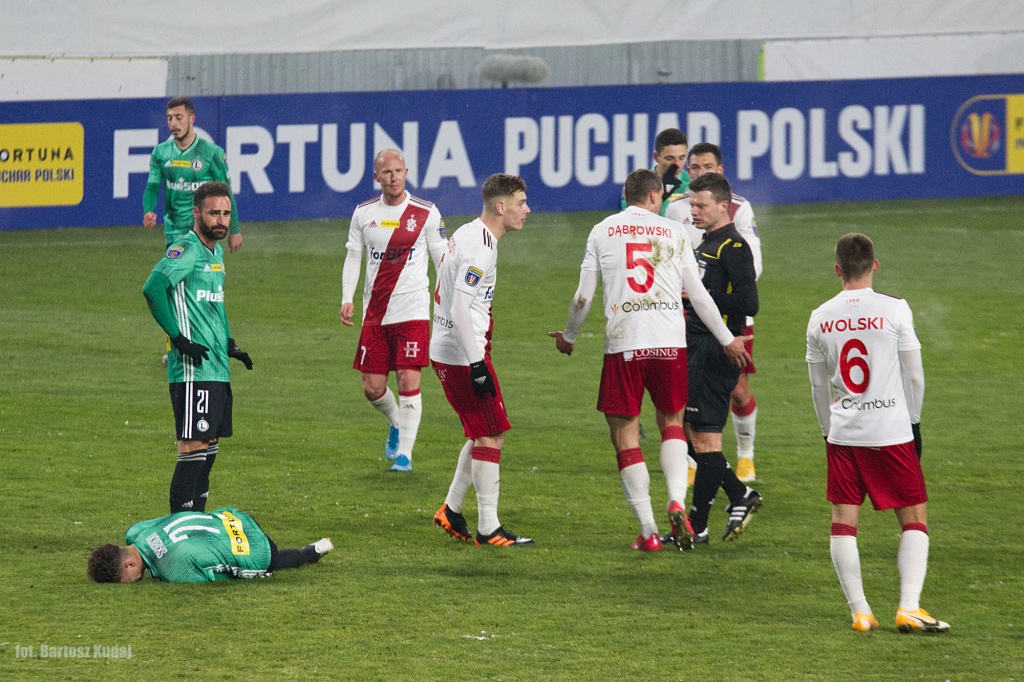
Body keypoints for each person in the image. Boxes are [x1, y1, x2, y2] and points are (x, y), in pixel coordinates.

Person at [551, 169, 750, 551]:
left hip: (625, 343)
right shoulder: (674, 233)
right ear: (656, 196)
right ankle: (677, 498)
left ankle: (648, 531)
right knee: (673, 423)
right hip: (670, 343)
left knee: (625, 437)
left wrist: (570, 336)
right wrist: (727, 339)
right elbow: (700, 297)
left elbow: (581, 297)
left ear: (626, 197)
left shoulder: (602, 230)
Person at [806, 233, 948, 633]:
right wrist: (914, 422)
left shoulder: (819, 316)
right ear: (875, 265)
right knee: (914, 517)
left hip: (844, 432)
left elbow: (818, 387)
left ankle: (860, 612)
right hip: (890, 430)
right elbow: (914, 375)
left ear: (837, 270)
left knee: (843, 522)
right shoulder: (895, 310)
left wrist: (826, 431)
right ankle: (909, 607)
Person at [430, 174, 534, 547]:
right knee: (492, 433)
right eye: (521, 203)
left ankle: (452, 509)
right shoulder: (483, 248)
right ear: (501, 206)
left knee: (480, 431)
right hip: (462, 353)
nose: (527, 210)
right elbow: (459, 304)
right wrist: (476, 365)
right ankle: (488, 527)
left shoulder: (469, 232)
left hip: (450, 348)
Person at [142, 182, 254, 514]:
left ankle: (197, 524)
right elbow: (153, 288)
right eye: (214, 213)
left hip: (216, 366)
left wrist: (230, 343)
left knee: (209, 452)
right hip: (193, 371)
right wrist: (178, 339)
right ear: (196, 213)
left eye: (226, 214)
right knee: (192, 450)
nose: (221, 221)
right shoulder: (186, 249)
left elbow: (214, 306)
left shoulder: (216, 253)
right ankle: (179, 529)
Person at [339, 149, 446, 472]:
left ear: (407, 172)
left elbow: (442, 260)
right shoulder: (363, 213)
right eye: (387, 172)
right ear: (376, 177)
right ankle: (397, 422)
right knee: (372, 387)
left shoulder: (426, 212)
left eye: (399, 171)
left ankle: (405, 455)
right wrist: (347, 297)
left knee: (407, 379)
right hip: (375, 313)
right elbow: (354, 257)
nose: (394, 177)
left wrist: (447, 301)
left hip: (413, 310)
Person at [666, 142, 762, 483]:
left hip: (726, 318)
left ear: (719, 171)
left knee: (737, 387)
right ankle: (697, 461)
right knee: (689, 390)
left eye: (707, 167)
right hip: (690, 316)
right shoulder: (677, 208)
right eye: (694, 168)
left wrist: (706, 292)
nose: (700, 173)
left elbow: (751, 270)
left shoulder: (738, 211)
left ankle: (745, 457)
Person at [682, 172, 761, 544]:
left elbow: (749, 303)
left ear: (723, 206)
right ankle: (739, 495)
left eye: (700, 205)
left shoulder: (733, 247)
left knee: (703, 442)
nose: (693, 210)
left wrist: (699, 299)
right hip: (698, 346)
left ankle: (697, 526)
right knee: (688, 435)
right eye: (692, 204)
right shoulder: (707, 242)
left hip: (715, 350)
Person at [87, 506, 333, 583]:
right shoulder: (135, 531)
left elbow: (217, 577)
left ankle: (310, 551)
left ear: (130, 564)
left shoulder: (171, 570)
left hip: (253, 545)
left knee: (272, 562)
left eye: (124, 579)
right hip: (233, 516)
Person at [143, 97, 242, 252]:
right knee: (180, 275)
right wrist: (148, 210)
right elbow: (152, 187)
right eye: (169, 118)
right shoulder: (160, 153)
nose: (173, 124)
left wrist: (234, 230)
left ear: (192, 119)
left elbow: (226, 193)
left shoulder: (211, 153)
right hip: (174, 231)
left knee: (202, 274)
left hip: (204, 230)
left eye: (178, 118)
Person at [620, 128, 689, 216]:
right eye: (670, 158)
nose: (677, 165)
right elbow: (631, 217)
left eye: (682, 158)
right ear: (656, 157)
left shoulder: (692, 182)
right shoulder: (639, 183)